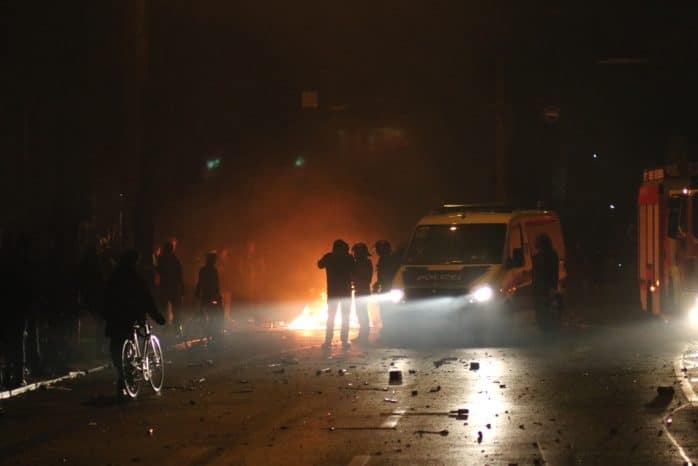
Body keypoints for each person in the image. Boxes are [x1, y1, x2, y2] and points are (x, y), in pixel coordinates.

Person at [104, 250, 166, 399]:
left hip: (116, 318)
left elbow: (106, 297)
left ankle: (123, 376)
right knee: (129, 342)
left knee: (117, 348)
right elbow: (147, 299)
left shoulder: (114, 277)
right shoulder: (137, 279)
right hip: (131, 317)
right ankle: (127, 376)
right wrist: (157, 317)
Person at [318, 240, 354, 349]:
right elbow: (354, 271)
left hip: (333, 292)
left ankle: (328, 341)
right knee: (345, 316)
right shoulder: (348, 258)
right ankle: (344, 341)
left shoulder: (329, 257)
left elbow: (319, 265)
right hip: (345, 292)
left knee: (331, 317)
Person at [195, 251, 223, 349]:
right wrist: (218, 296)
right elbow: (216, 284)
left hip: (205, 296)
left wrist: (197, 292)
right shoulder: (213, 270)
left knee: (204, 313)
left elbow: (200, 282)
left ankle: (205, 331)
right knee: (214, 315)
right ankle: (212, 333)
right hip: (212, 296)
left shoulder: (202, 270)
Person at [532, 233, 560, 331]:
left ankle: (547, 326)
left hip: (544, 287)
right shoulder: (552, 254)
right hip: (546, 286)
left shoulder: (542, 256)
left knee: (545, 308)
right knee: (546, 308)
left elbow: (541, 273)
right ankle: (548, 326)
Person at [156, 241, 184, 337]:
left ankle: (165, 328)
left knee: (164, 309)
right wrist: (182, 288)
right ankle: (177, 329)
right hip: (173, 287)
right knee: (175, 310)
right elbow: (179, 275)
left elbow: (158, 270)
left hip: (165, 287)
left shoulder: (161, 259)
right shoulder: (175, 260)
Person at [351, 243, 373, 344]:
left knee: (362, 313)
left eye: (356, 253)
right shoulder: (365, 263)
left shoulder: (363, 263)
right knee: (361, 313)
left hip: (362, 291)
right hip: (362, 290)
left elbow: (363, 277)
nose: (354, 255)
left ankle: (364, 337)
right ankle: (362, 336)